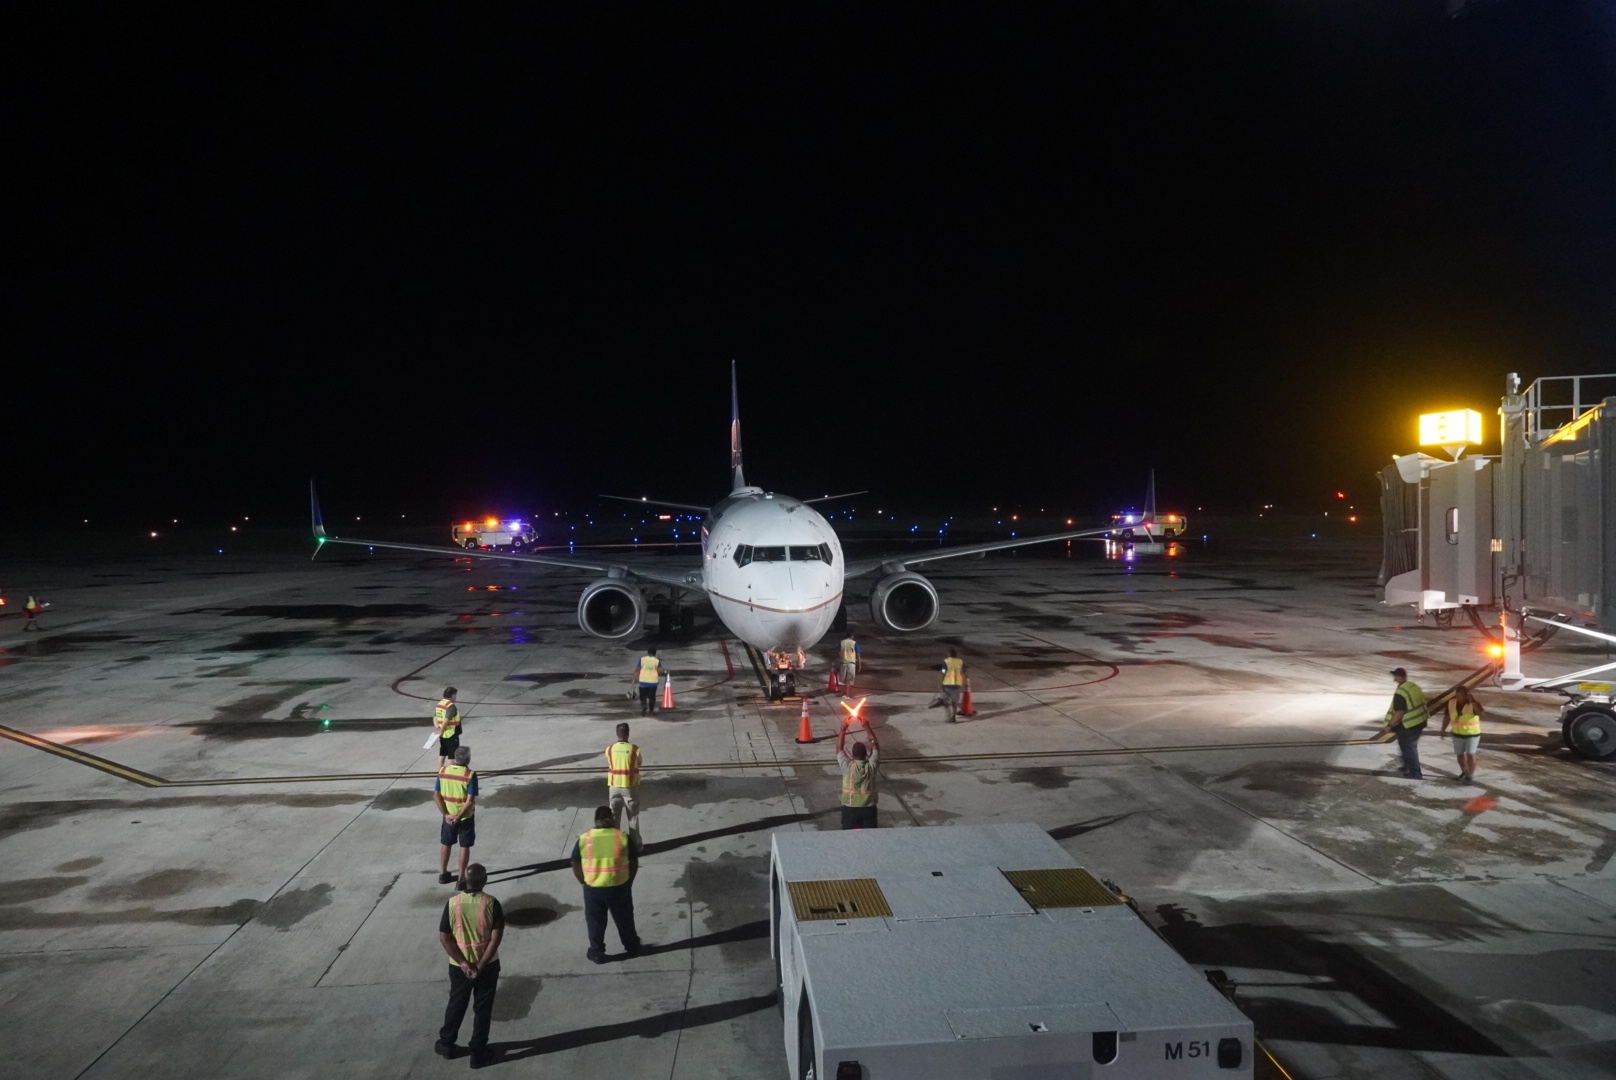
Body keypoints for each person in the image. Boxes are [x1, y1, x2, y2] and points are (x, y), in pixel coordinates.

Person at [435, 862, 503, 1069]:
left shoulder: (452, 903)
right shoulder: (492, 903)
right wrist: (480, 965)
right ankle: (478, 1052)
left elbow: (445, 938)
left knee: (456, 1004)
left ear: (464, 880)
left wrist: (463, 963)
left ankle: (447, 1044)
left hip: (459, 967)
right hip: (487, 966)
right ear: (485, 880)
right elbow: (495, 939)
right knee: (482, 1009)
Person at [571, 805, 641, 964]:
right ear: (612, 819)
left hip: (593, 889)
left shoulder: (585, 839)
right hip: (619, 886)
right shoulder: (622, 837)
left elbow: (575, 862)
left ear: (596, 821)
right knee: (625, 919)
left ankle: (597, 952)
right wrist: (629, 881)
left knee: (595, 922)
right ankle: (632, 947)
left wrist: (583, 882)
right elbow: (633, 862)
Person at [435, 746, 478, 885]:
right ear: (468, 759)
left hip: (448, 817)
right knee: (464, 846)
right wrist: (458, 816)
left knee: (446, 844)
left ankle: (443, 874)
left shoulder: (443, 771)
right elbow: (469, 801)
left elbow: (436, 796)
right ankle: (461, 879)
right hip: (465, 817)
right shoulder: (469, 775)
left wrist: (446, 814)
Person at [1382, 667, 1429, 779]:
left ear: (1400, 677)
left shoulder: (1401, 692)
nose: (1394, 678)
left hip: (1409, 724)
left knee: (1409, 748)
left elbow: (1399, 712)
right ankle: (1406, 766)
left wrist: (1389, 725)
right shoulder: (1412, 686)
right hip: (1420, 720)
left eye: (1395, 676)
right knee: (1406, 746)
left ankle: (1415, 773)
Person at [836, 718, 880, 829]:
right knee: (870, 835)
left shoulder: (847, 767)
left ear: (852, 754)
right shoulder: (872, 765)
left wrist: (843, 728)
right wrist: (866, 726)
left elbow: (839, 748)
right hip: (869, 808)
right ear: (866, 753)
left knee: (848, 835)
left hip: (850, 808)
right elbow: (875, 745)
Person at [605, 722, 643, 844]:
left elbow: (610, 761)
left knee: (614, 817)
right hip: (630, 788)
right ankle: (635, 846)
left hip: (614, 787)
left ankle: (616, 846)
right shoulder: (634, 749)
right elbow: (639, 762)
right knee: (633, 817)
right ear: (628, 734)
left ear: (617, 734)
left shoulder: (610, 749)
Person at [1442, 684, 1484, 783]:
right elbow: (1447, 716)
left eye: (1461, 695)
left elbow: (1481, 714)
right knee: (1460, 755)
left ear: (1466, 695)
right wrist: (1443, 729)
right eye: (1457, 694)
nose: (1458, 696)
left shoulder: (1473, 704)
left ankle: (1469, 776)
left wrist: (1473, 702)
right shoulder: (1451, 703)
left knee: (1470, 754)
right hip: (1457, 733)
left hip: (1472, 734)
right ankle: (1465, 772)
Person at [933, 648, 967, 722]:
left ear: (949, 654)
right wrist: (964, 683)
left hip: (947, 684)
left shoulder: (946, 661)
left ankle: (948, 715)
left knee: (944, 701)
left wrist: (941, 683)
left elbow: (943, 672)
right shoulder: (960, 662)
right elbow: (964, 672)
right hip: (957, 685)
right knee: (955, 702)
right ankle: (953, 717)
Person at [434, 687, 462, 768]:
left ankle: (440, 772)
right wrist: (442, 730)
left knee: (442, 754)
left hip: (443, 735)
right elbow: (447, 720)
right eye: (455, 695)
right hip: (451, 734)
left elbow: (435, 718)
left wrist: (438, 729)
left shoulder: (439, 704)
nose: (456, 697)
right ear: (452, 696)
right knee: (452, 756)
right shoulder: (451, 706)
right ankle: (446, 772)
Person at [634, 648, 663, 716]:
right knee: (652, 697)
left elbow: (637, 670)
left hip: (643, 682)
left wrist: (634, 679)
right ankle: (651, 711)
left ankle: (644, 706)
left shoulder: (642, 659)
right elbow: (661, 671)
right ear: (654, 653)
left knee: (643, 697)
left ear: (648, 653)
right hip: (653, 683)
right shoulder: (656, 660)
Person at [837, 632, 860, 698]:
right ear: (852, 636)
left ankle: (843, 693)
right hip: (851, 663)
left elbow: (838, 652)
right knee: (850, 679)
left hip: (843, 663)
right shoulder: (854, 643)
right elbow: (858, 654)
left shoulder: (842, 643)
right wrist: (859, 664)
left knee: (842, 679)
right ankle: (848, 693)